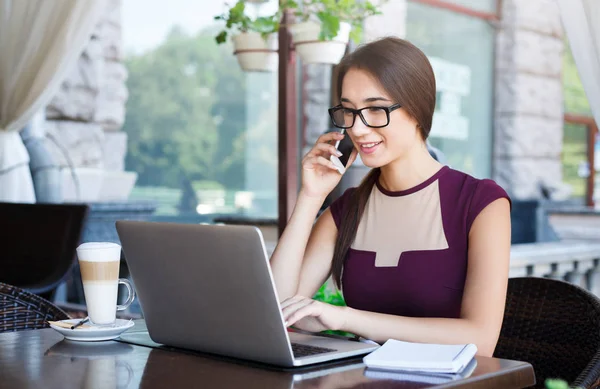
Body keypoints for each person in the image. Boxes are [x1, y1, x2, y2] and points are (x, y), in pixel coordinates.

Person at [269, 37, 511, 357]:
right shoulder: (348, 210)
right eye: (349, 111)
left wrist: (347, 318)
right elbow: (277, 308)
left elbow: (480, 340)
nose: (357, 128)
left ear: (417, 109)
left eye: (375, 109)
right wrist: (311, 196)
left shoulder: (481, 203)